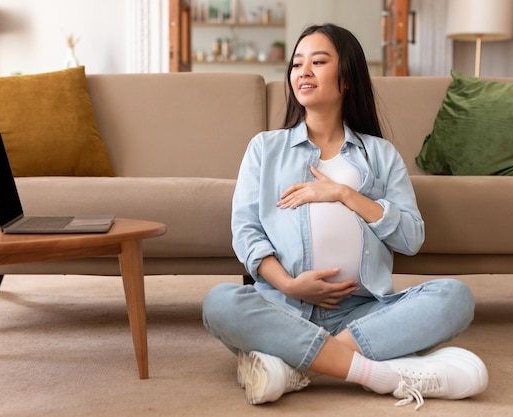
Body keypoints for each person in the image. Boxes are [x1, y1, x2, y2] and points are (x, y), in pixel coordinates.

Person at [202, 23, 488, 410]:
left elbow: (411, 238)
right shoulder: (265, 149)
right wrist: (288, 285)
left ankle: (294, 367)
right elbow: (247, 232)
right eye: (297, 64)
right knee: (221, 303)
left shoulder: (380, 154)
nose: (303, 72)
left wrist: (345, 194)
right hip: (283, 307)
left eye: (318, 62)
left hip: (362, 310)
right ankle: (380, 373)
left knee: (454, 297)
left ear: (347, 77)